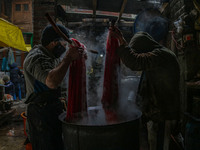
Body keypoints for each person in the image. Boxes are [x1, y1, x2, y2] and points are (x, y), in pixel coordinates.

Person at [111, 19, 182, 150]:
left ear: (145, 48)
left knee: (160, 146)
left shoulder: (161, 55)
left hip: (164, 114)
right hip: (159, 114)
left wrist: (121, 42)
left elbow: (135, 62)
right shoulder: (159, 55)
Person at [23, 24, 85, 150]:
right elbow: (51, 82)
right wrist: (68, 57)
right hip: (40, 115)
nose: (64, 48)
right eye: (63, 44)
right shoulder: (37, 57)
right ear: (53, 43)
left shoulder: (51, 56)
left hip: (51, 109)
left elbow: (60, 69)